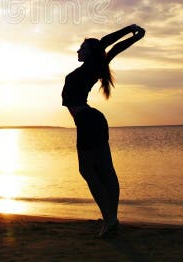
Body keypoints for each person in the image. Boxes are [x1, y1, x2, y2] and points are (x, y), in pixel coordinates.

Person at [62, 23, 145, 238]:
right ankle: (111, 219)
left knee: (91, 171)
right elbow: (110, 46)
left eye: (82, 48)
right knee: (103, 172)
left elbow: (107, 44)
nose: (78, 51)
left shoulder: (93, 66)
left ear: (90, 52)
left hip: (88, 121)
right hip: (91, 121)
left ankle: (110, 218)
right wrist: (133, 33)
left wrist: (132, 31)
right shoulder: (94, 66)